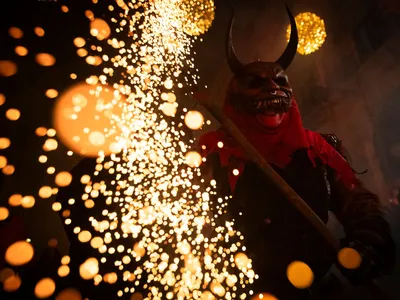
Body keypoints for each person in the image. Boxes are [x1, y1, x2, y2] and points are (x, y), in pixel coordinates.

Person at [198, 6, 395, 299]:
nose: (272, 89)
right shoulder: (217, 155)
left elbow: (359, 203)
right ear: (236, 96)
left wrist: (365, 246)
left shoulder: (320, 150)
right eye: (257, 82)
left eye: (280, 81)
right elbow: (199, 227)